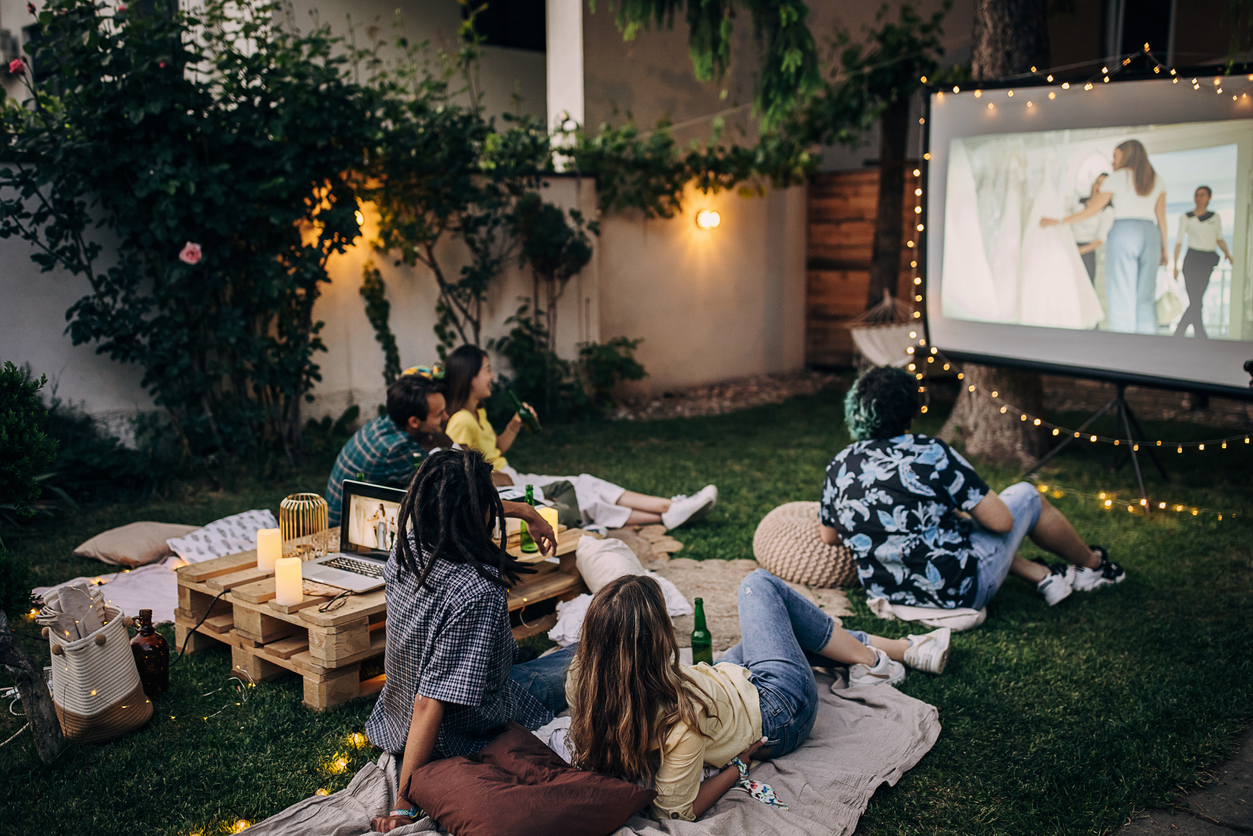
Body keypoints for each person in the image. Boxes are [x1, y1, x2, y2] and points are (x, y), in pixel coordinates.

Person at [565, 572, 951, 822]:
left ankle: (901, 650)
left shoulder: (583, 679)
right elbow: (676, 811)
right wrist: (740, 766)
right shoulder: (683, 719)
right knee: (759, 586)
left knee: (782, 629)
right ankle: (875, 660)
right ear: (658, 641)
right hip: (779, 707)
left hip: (725, 681)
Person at [365, 449, 573, 833]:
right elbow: (430, 703)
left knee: (551, 659)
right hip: (464, 727)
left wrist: (525, 511)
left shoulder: (407, 548)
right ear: (478, 512)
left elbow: (460, 502)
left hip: (396, 715)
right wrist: (403, 805)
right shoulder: (476, 590)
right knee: (589, 657)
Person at [819, 367, 1126, 611]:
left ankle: (1041, 574)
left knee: (950, 522)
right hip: (957, 592)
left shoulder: (840, 463)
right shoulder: (931, 453)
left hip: (886, 591)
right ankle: (1094, 567)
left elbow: (829, 535)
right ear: (911, 408)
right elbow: (1002, 522)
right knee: (1027, 495)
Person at [442, 344, 717, 531]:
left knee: (586, 487)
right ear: (469, 377)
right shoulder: (461, 421)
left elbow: (495, 451)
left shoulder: (476, 413)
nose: (492, 376)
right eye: (487, 370)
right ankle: (669, 510)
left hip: (513, 477)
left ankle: (669, 512)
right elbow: (467, 476)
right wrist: (510, 482)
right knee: (584, 498)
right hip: (507, 487)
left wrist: (514, 425)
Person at [1042, 139, 1168, 334]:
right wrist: (1164, 248)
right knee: (1146, 297)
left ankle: (1122, 348)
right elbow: (1161, 218)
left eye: (1115, 157)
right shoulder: (1157, 180)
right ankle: (1146, 348)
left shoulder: (1116, 178)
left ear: (1126, 156)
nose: (1112, 162)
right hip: (1150, 234)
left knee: (1121, 295)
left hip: (1124, 232)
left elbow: (1091, 210)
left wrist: (1058, 221)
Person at [324, 372, 449, 528]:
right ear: (414, 421)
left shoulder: (384, 422)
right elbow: (439, 479)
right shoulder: (397, 449)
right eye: (439, 414)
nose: (446, 416)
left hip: (340, 513)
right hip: (343, 527)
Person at [1173, 185, 1232, 339]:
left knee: (1197, 298)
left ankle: (1181, 333)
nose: (1199, 198)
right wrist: (1174, 265)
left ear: (1209, 198)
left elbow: (1219, 238)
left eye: (1202, 195)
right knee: (1195, 298)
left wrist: (1227, 253)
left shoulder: (1215, 217)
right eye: (1197, 195)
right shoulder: (1186, 217)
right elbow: (1179, 241)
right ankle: (1198, 335)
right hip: (1192, 259)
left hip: (1207, 260)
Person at [1071, 173, 1114, 285]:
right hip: (1069, 245)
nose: (1098, 187)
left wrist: (1079, 251)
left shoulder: (1107, 211)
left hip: (1086, 252)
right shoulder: (1078, 201)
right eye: (1097, 182)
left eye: (1103, 185)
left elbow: (1100, 240)